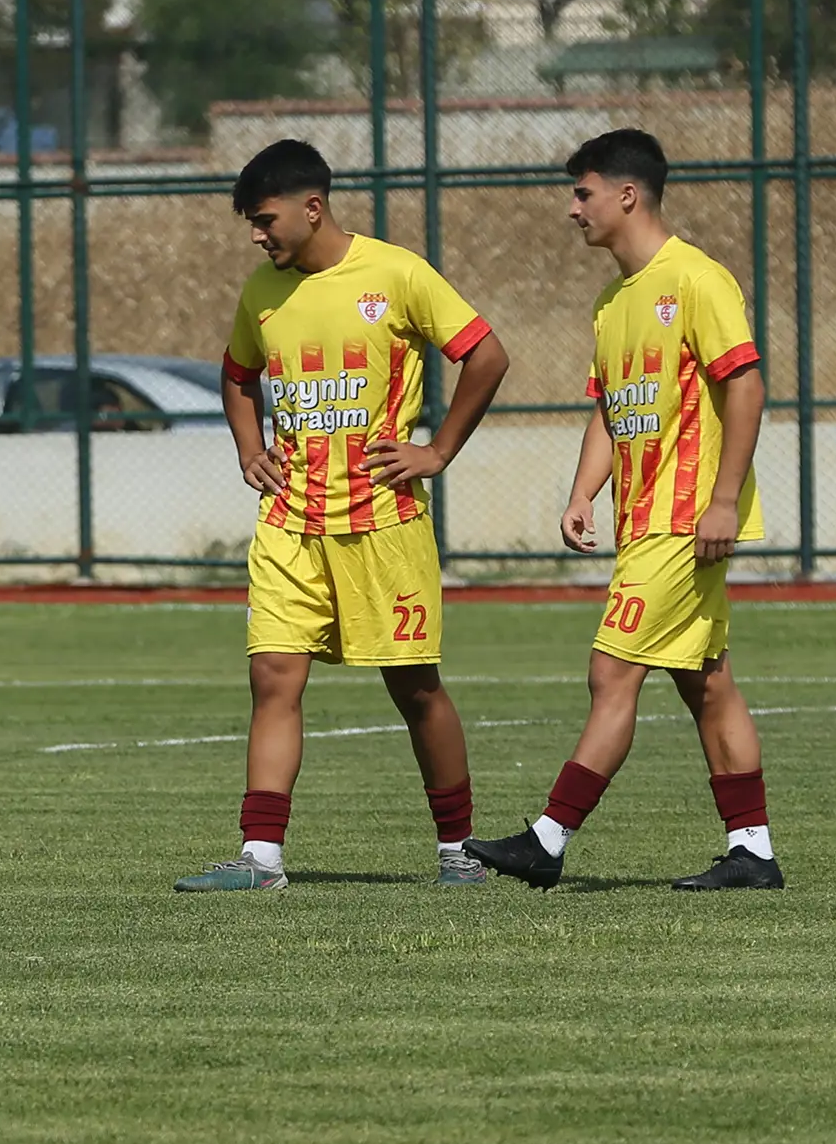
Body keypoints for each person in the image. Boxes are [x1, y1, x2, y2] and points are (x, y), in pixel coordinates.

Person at [174, 139, 510, 893]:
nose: (258, 235)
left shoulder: (397, 274)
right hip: (291, 520)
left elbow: (485, 355)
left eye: (265, 219)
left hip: (382, 522)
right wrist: (247, 446)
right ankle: (261, 859)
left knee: (414, 686)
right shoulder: (262, 291)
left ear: (312, 206)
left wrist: (438, 450)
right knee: (273, 678)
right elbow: (236, 378)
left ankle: (459, 849)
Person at [466, 129, 784, 892]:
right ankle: (754, 850)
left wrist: (724, 499)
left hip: (686, 520)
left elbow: (745, 386)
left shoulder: (697, 280)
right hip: (646, 519)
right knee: (707, 681)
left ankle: (548, 838)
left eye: (582, 192)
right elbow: (611, 410)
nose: (571, 208)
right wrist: (584, 493)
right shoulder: (614, 302)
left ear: (626, 195)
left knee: (611, 671)